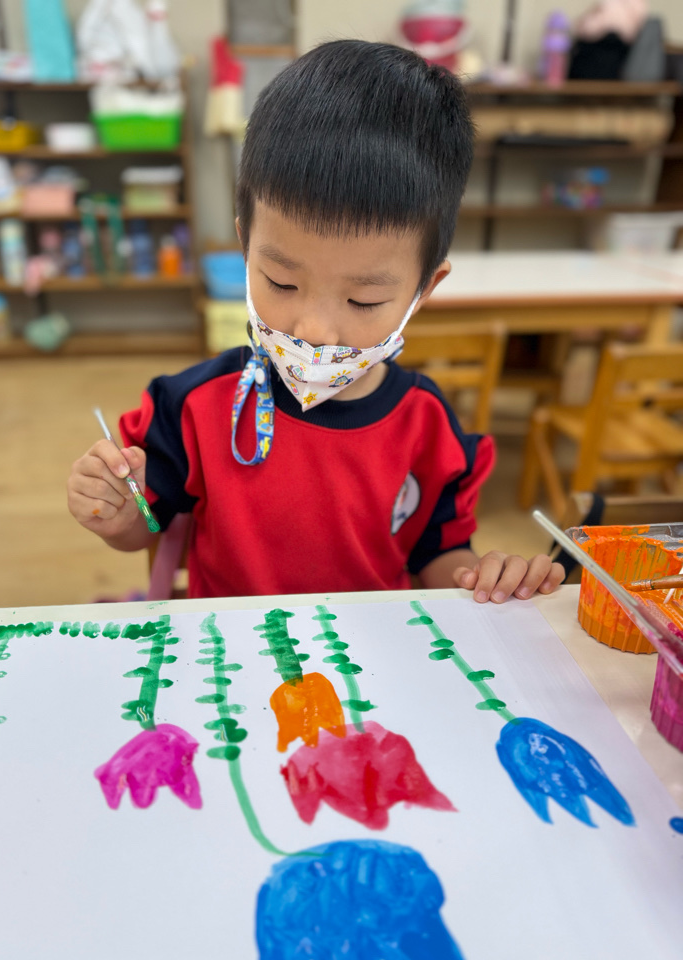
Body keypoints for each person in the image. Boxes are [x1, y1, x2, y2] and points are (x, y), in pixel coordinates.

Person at [67, 39, 565, 602]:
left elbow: (440, 555)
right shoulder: (194, 408)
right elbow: (145, 528)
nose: (314, 331)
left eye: (363, 301)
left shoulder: (425, 426)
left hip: (372, 650)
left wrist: (484, 580)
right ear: (245, 247)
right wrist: (116, 513)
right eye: (282, 283)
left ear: (423, 289)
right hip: (228, 648)